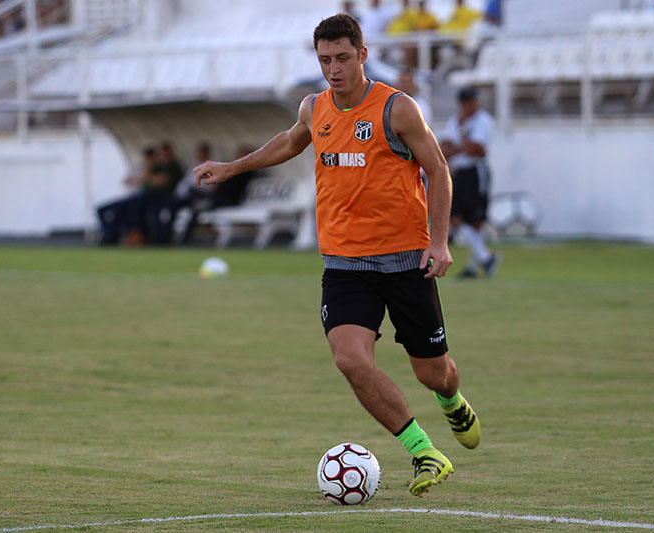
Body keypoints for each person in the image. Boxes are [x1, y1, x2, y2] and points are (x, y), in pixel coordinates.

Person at [193, 13, 481, 497]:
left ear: (363, 55)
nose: (334, 69)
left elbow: (438, 169)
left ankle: (452, 401)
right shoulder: (314, 108)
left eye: (343, 58)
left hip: (406, 259)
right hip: (345, 264)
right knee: (349, 359)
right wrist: (232, 167)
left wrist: (438, 241)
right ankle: (424, 451)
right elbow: (288, 142)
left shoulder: (398, 109)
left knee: (433, 371)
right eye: (325, 60)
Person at [440, 87, 501, 279]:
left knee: (474, 222)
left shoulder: (482, 121)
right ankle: (485, 258)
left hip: (475, 173)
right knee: (456, 217)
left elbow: (478, 149)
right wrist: (462, 147)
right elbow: (446, 148)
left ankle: (476, 266)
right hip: (459, 172)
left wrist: (459, 146)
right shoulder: (454, 121)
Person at [96, 146, 156, 245]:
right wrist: (137, 179)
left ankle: (113, 236)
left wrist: (141, 177)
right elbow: (126, 181)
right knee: (101, 209)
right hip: (127, 197)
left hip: (138, 198)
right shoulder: (138, 168)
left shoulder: (152, 168)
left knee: (121, 212)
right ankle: (108, 234)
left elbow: (145, 180)